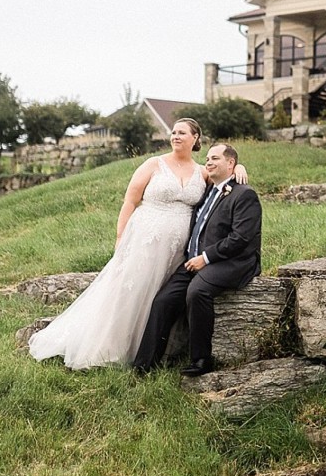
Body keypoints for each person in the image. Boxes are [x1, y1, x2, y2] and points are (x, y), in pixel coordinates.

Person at [28, 118, 248, 370]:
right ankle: (107, 348)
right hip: (145, 238)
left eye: (182, 132)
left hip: (177, 248)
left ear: (195, 138)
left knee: (157, 295)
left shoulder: (201, 172)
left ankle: (149, 349)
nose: (175, 136)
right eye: (173, 132)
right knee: (130, 291)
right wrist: (120, 238)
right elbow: (130, 202)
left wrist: (239, 165)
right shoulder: (154, 164)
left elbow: (223, 178)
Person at [133, 142, 262, 377]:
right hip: (195, 261)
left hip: (233, 262)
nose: (209, 162)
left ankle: (201, 359)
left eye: (215, 158)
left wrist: (206, 258)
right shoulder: (208, 190)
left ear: (230, 163)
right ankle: (144, 365)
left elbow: (241, 238)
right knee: (163, 300)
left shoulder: (245, 194)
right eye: (208, 158)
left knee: (197, 292)